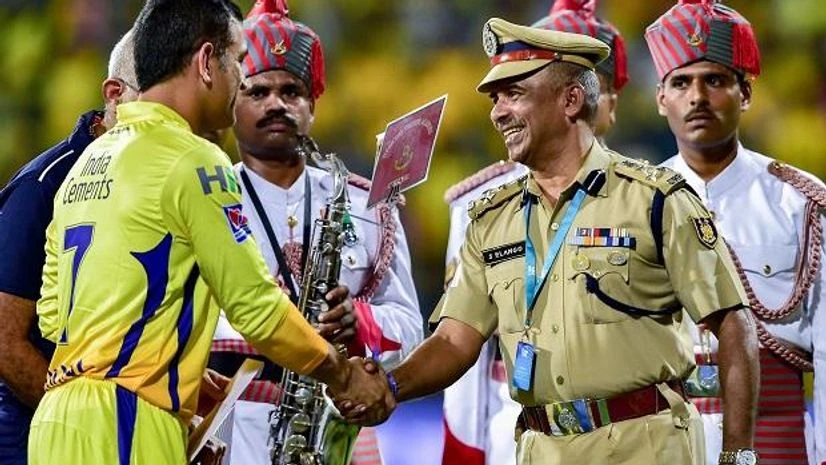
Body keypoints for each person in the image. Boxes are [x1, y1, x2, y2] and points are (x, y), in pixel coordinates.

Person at [347, 18, 761, 465]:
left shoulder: (655, 200)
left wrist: (738, 455)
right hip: (540, 448)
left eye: (513, 94)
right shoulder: (491, 220)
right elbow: (453, 341)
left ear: (570, 99)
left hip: (646, 447)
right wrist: (390, 385)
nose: (497, 113)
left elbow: (733, 326)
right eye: (495, 99)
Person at [28, 1, 392, 464]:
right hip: (128, 422)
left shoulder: (87, 166)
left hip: (55, 424)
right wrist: (342, 375)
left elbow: (53, 316)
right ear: (205, 62)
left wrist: (177, 369)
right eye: (237, 61)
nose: (240, 79)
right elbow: (255, 307)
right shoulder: (194, 159)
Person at [209, 1, 423, 464]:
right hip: (225, 431)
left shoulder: (367, 205)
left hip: (334, 429)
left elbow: (410, 331)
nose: (276, 104)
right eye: (257, 91)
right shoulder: (204, 197)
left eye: (292, 91)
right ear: (231, 103)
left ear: (313, 106)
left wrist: (360, 323)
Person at [440, 2, 628, 463]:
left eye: (599, 86)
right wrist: (464, 454)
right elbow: (464, 350)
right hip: (517, 432)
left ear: (610, 102)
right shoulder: (479, 207)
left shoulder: (647, 198)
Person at [646, 1, 826, 464]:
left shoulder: (799, 203)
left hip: (775, 435)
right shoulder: (631, 203)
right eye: (681, 82)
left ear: (745, 94)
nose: (697, 97)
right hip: (661, 438)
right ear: (661, 98)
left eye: (715, 80)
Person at [0, 29, 138, 465]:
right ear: (114, 96)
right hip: (25, 437)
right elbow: (5, 342)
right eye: (151, 101)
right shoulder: (42, 187)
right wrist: (78, 425)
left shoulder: (144, 177)